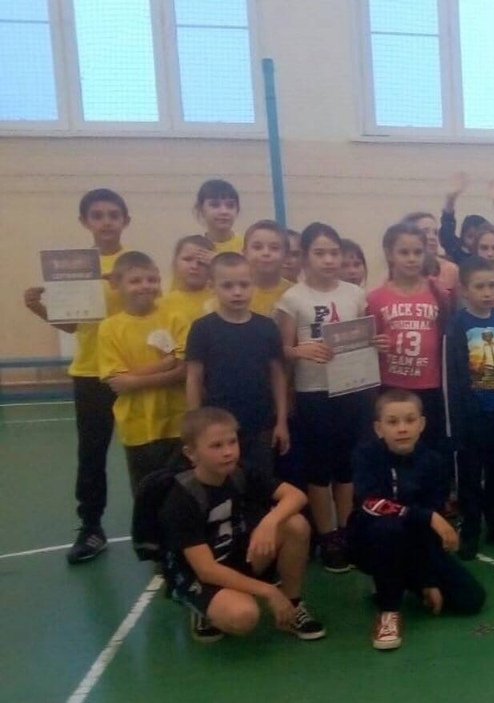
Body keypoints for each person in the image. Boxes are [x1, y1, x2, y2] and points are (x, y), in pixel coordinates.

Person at [21, 189, 128, 563]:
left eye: (113, 214)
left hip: (131, 370)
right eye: (97, 215)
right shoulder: (74, 268)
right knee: (92, 453)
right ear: (85, 222)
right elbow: (71, 325)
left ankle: (160, 524)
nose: (106, 221)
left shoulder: (133, 263)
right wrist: (38, 308)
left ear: (125, 221)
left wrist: (123, 284)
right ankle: (91, 527)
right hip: (90, 372)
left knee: (149, 449)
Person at [160, 407, 325, 643]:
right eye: (216, 446)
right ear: (191, 453)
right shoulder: (181, 498)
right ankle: (203, 609)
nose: (228, 452)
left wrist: (269, 523)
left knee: (295, 524)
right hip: (199, 574)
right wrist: (269, 590)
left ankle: (293, 605)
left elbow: (296, 496)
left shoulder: (241, 473)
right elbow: (206, 570)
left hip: (234, 554)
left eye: (232, 442)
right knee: (243, 616)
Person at [275, 222, 378, 573]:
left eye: (334, 253)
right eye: (320, 253)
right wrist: (299, 350)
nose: (329, 260)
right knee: (319, 469)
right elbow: (280, 350)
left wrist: (375, 342)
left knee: (346, 466)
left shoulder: (355, 294)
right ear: (304, 257)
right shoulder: (293, 298)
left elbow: (363, 337)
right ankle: (327, 535)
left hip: (351, 390)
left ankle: (346, 531)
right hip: (313, 393)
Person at [349, 390, 486, 650]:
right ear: (379, 428)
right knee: (387, 528)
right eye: (392, 422)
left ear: (421, 424)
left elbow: (430, 526)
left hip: (415, 544)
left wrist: (427, 580)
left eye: (410, 420)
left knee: (471, 599)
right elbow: (370, 503)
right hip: (371, 542)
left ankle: (406, 579)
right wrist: (427, 516)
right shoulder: (365, 455)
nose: (402, 428)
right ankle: (388, 611)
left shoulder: (433, 461)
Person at [444, 258, 494, 559]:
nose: (487, 292)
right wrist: (459, 421)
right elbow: (453, 377)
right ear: (465, 290)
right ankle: (470, 531)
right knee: (470, 476)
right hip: (472, 417)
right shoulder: (456, 327)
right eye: (479, 286)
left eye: (491, 285)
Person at [186, 253, 289, 484]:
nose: (237, 292)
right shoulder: (202, 329)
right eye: (228, 286)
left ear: (253, 285)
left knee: (261, 483)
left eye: (244, 284)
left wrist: (281, 421)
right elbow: (194, 378)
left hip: (261, 424)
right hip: (217, 427)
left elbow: (277, 375)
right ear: (212, 287)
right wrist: (195, 426)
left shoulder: (267, 327)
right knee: (222, 484)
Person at [98, 252, 189, 496]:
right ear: (117, 285)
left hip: (176, 423)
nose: (145, 286)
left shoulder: (175, 319)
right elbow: (117, 381)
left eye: (151, 280)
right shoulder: (109, 328)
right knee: (145, 493)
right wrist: (166, 363)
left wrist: (133, 380)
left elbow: (183, 371)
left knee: (180, 492)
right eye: (135, 281)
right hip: (137, 427)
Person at [367, 223, 448, 449]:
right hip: (390, 385)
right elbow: (367, 342)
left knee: (430, 448)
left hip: (430, 385)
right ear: (389, 254)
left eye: (417, 252)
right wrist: (373, 343)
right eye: (404, 252)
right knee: (393, 447)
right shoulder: (375, 298)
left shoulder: (439, 293)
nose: (411, 259)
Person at [159, 235, 214, 328]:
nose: (194, 266)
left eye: (201, 262)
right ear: (175, 263)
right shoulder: (161, 303)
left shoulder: (220, 300)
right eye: (187, 259)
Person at [242, 220, 293, 317]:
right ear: (244, 253)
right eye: (257, 247)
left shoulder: (295, 294)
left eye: (274, 248)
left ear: (286, 255)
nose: (266, 253)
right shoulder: (235, 293)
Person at [194, 179, 244, 257]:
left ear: (237, 210)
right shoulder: (195, 247)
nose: (224, 211)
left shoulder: (248, 246)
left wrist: (218, 259)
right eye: (215, 205)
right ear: (201, 209)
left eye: (230, 205)